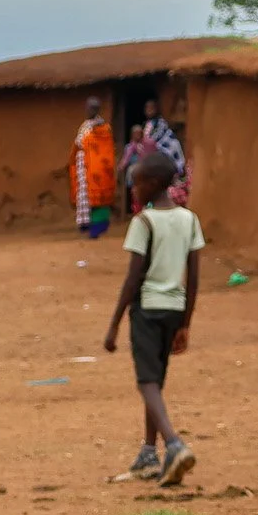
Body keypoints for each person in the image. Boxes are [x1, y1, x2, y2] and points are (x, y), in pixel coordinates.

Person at [104, 151, 203, 486]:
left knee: (146, 382)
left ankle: (173, 444)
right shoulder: (189, 220)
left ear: (154, 184)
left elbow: (133, 278)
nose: (133, 190)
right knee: (156, 381)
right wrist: (186, 323)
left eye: (137, 184)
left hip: (147, 309)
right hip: (175, 309)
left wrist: (115, 323)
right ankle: (149, 452)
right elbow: (194, 277)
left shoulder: (143, 223)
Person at [72, 97, 117, 239]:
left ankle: (98, 228)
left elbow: (105, 148)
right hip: (85, 168)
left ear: (97, 110)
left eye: (91, 108)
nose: (88, 111)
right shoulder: (86, 125)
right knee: (86, 198)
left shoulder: (104, 127)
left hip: (99, 168)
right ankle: (87, 225)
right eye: (87, 108)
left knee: (99, 199)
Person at [141, 100, 190, 207]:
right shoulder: (147, 125)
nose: (149, 111)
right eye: (147, 108)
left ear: (157, 109)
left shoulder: (161, 123)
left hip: (167, 151)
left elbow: (157, 139)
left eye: (152, 108)